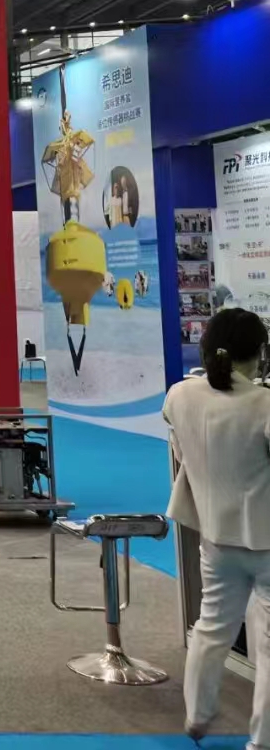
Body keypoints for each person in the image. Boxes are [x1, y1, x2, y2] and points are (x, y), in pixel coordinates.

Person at [163, 307, 270, 746]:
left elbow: (179, 439)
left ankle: (198, 715)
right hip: (266, 540)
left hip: (215, 536)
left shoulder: (180, 395)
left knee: (210, 627)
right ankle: (261, 740)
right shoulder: (263, 404)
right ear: (259, 353)